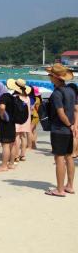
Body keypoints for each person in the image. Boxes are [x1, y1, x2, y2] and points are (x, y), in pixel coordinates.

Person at [44, 64, 75, 197]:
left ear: (55, 78)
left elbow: (61, 114)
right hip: (69, 129)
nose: (49, 78)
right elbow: (75, 110)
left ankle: (60, 189)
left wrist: (69, 125)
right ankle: (70, 186)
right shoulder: (71, 91)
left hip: (59, 129)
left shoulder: (57, 93)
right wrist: (74, 126)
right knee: (69, 157)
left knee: (59, 158)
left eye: (51, 75)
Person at [0, 81, 17, 172]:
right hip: (11, 123)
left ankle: (4, 166)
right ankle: (11, 164)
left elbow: (2, 107)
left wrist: (1, 114)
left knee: (5, 145)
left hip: (5, 124)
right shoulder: (10, 96)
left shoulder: (2, 97)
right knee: (12, 144)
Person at [7, 78, 31, 162]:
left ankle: (16, 155)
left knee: (16, 137)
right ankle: (23, 155)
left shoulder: (14, 97)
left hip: (16, 119)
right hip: (26, 119)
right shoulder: (27, 98)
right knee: (23, 137)